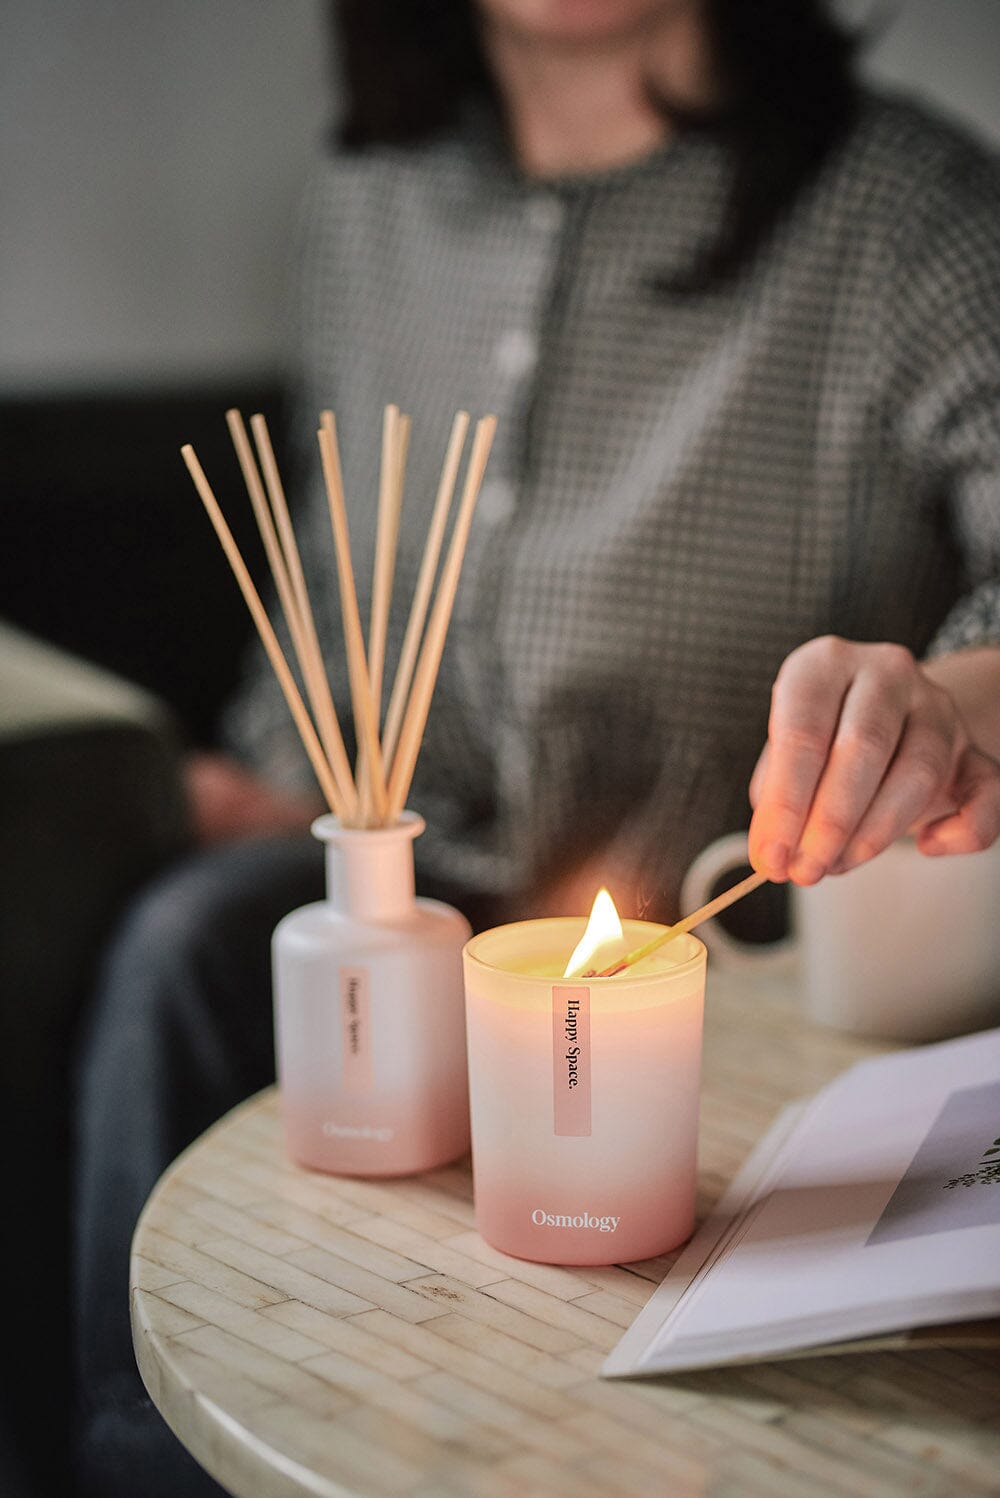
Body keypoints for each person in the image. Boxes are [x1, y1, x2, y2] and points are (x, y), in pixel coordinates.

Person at [72, 1, 1000, 1493]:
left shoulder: (906, 214)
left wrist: (949, 700)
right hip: (407, 883)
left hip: (724, 937)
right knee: (185, 942)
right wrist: (280, 780)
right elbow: (330, 575)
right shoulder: (373, 199)